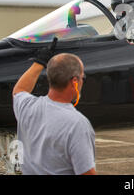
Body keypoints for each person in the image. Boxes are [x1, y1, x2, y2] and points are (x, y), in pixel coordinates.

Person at [12, 38, 96, 175]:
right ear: (75, 81)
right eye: (82, 77)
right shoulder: (77, 124)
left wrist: (39, 63)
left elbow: (19, 90)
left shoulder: (27, 107)